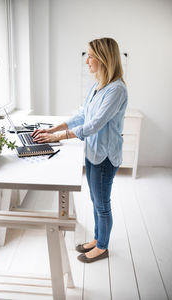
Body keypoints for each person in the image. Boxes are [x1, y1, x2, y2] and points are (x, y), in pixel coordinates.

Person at [32, 37, 128, 263]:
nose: (87, 61)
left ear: (104, 59)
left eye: (91, 56)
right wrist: (55, 128)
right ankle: (97, 239)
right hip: (93, 152)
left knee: (102, 204)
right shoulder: (98, 86)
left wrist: (59, 136)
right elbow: (83, 114)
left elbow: (94, 124)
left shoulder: (117, 90)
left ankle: (102, 247)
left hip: (105, 155)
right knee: (95, 200)